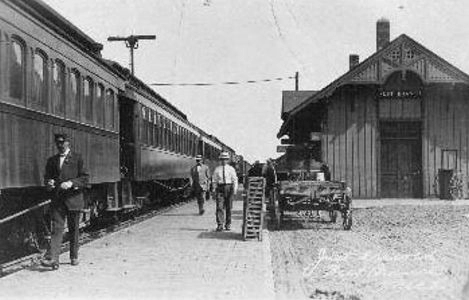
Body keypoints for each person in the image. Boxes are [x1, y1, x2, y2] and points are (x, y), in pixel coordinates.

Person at [41, 133, 89, 270]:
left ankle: (74, 256)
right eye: (58, 143)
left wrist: (71, 183)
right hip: (58, 200)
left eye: (62, 143)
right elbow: (47, 178)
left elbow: (85, 179)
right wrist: (48, 183)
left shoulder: (78, 158)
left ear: (68, 143)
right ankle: (53, 259)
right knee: (56, 229)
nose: (60, 145)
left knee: (74, 229)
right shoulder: (52, 160)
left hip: (74, 199)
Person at [212, 152, 238, 231]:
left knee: (229, 207)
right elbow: (214, 180)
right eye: (222, 159)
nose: (224, 161)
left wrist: (235, 190)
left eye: (225, 159)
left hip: (229, 188)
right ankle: (220, 225)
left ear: (228, 160)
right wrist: (213, 189)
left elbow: (235, 180)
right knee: (219, 207)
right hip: (220, 188)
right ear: (220, 160)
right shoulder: (217, 169)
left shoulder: (231, 169)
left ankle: (228, 224)